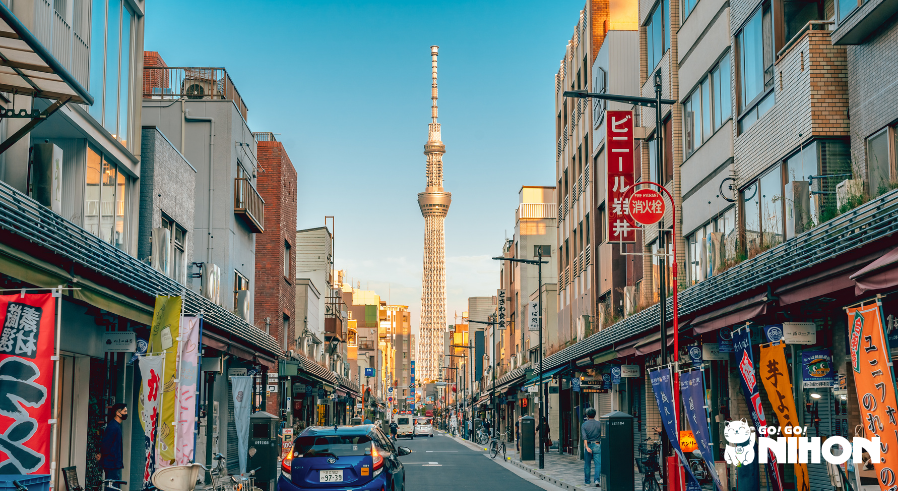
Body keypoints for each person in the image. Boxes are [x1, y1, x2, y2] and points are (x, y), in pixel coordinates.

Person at [96, 403, 127, 482]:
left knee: (113, 486)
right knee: (111, 486)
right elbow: (106, 443)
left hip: (113, 463)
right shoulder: (113, 426)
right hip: (111, 463)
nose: (126, 413)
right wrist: (102, 454)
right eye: (124, 411)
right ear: (117, 413)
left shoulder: (115, 426)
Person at [582, 408, 602, 487]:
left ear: (587, 415)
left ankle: (587, 482)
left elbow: (584, 437)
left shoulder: (584, 425)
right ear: (595, 415)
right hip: (597, 444)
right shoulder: (599, 424)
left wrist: (587, 447)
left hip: (589, 445)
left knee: (587, 464)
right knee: (598, 464)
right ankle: (597, 480)